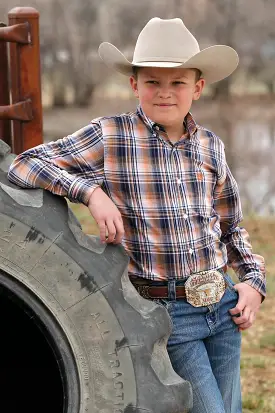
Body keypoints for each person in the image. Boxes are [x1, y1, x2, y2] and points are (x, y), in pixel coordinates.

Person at [8, 17, 265, 413]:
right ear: (134, 85)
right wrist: (90, 192)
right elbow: (24, 164)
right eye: (152, 82)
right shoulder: (112, 137)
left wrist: (252, 281)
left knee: (230, 408)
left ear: (198, 87)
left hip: (223, 305)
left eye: (177, 83)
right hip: (169, 314)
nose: (165, 93)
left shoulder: (211, 147)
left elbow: (231, 226)